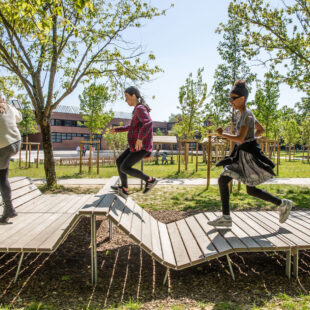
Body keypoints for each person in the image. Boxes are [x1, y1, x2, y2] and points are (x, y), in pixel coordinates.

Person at [208, 80, 293, 228]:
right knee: (244, 187)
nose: (231, 102)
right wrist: (252, 138)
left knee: (232, 183)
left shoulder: (246, 114)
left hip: (247, 157)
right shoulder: (245, 114)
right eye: (230, 98)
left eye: (232, 98)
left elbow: (240, 138)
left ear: (242, 99)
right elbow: (260, 129)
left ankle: (282, 203)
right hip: (243, 154)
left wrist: (224, 135)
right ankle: (282, 204)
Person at [110, 86, 158, 198]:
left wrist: (140, 138)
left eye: (126, 97)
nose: (125, 100)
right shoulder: (137, 109)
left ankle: (150, 180)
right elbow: (131, 127)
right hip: (135, 146)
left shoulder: (140, 108)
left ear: (134, 96)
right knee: (119, 162)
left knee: (124, 167)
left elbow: (148, 123)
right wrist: (117, 130)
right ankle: (124, 188)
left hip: (142, 146)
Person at [0, 96, 22, 223]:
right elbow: (20, 118)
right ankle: (8, 210)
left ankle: (9, 209)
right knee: (3, 174)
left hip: (3, 147)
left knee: (2, 178)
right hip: (15, 143)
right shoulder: (9, 107)